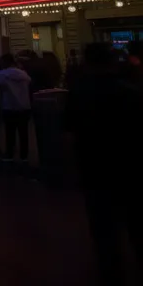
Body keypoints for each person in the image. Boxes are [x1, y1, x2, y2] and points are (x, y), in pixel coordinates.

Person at [66, 42, 143, 282]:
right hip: (129, 164)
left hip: (94, 165)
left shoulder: (78, 92)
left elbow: (67, 127)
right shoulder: (128, 90)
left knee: (103, 225)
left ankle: (111, 270)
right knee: (135, 220)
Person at [0, 54, 32, 162]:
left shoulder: (1, 75)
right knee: (23, 132)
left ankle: (10, 154)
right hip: (24, 106)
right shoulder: (23, 74)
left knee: (10, 132)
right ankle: (24, 155)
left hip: (9, 106)